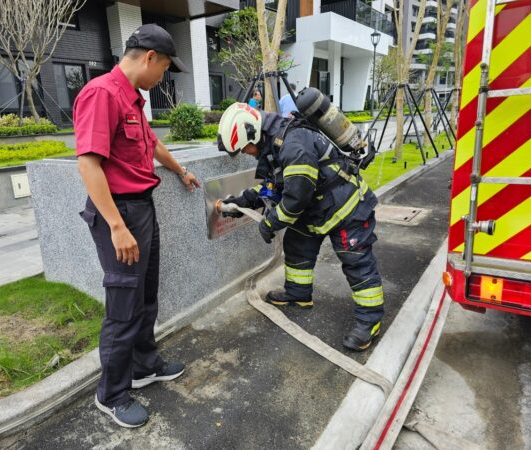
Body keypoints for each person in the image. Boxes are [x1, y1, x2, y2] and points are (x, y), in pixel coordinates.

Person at [74, 24, 200, 428]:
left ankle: (144, 366)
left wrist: (180, 170)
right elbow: (88, 164)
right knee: (123, 308)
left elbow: (151, 143)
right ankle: (110, 394)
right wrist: (115, 226)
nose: (162, 78)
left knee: (145, 296)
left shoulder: (131, 100)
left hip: (141, 210)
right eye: (163, 69)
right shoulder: (101, 94)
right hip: (120, 214)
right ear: (149, 58)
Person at [217, 103, 384, 352]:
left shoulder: (294, 145)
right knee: (297, 245)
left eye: (244, 147)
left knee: (356, 263)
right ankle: (298, 294)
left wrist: (270, 223)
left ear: (253, 134)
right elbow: (276, 185)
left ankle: (369, 321)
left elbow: (296, 198)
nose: (247, 153)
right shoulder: (275, 143)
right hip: (318, 208)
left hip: (346, 208)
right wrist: (243, 200)